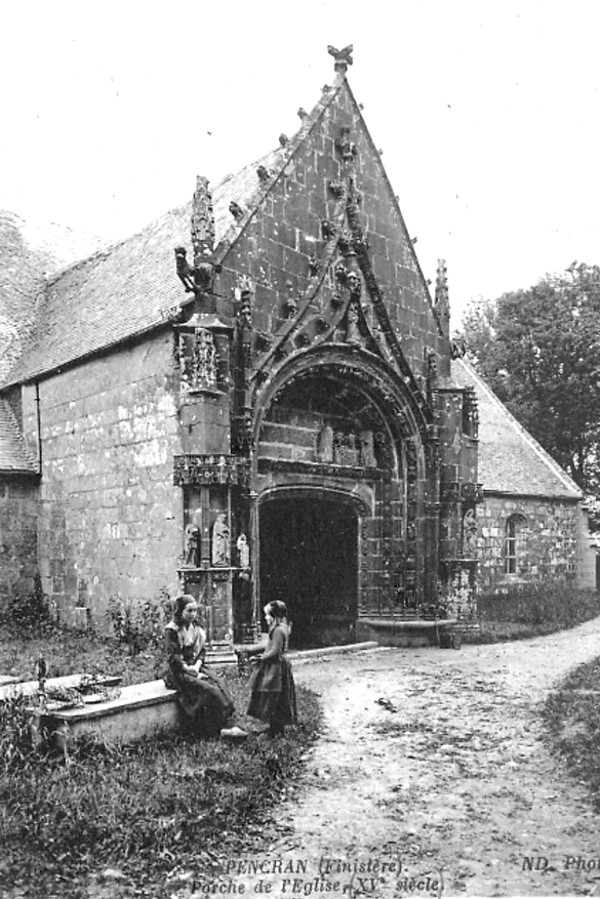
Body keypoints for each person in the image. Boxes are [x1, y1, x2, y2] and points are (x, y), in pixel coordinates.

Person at [164, 594, 243, 739]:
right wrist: (189, 669)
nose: (193, 614)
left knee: (220, 684)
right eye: (189, 611)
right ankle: (211, 730)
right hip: (179, 670)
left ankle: (225, 723)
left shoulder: (196, 628)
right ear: (180, 611)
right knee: (209, 691)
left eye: (195, 610)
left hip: (196, 665)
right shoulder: (172, 630)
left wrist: (197, 666)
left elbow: (201, 652)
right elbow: (173, 657)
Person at [240, 601, 298, 736]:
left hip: (276, 667)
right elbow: (269, 646)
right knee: (272, 694)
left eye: (267, 615)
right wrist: (251, 651)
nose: (265, 618)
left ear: (274, 616)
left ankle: (276, 727)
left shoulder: (278, 630)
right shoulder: (278, 628)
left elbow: (275, 651)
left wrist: (261, 658)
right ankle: (273, 725)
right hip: (275, 665)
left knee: (273, 695)